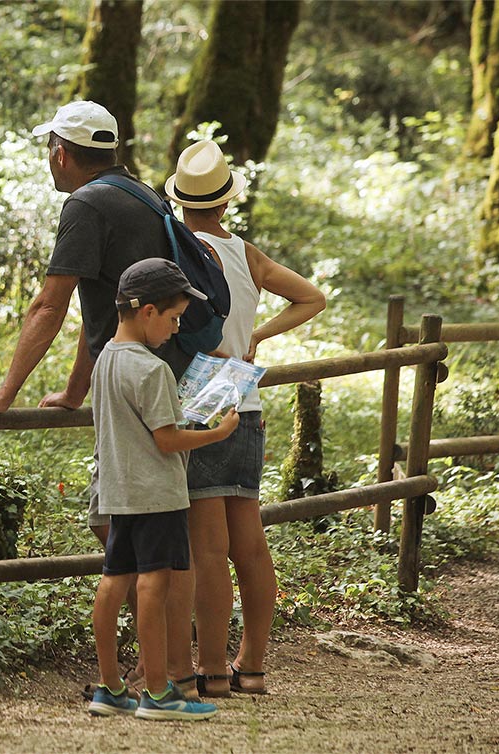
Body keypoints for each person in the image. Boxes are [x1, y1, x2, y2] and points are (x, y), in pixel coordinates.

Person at [0, 101, 195, 694]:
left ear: (60, 153)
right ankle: (167, 667)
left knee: (126, 530)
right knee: (152, 528)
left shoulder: (85, 205)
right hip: (164, 374)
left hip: (135, 384)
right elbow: (104, 312)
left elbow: (52, 303)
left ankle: (155, 673)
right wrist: (74, 391)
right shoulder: (142, 195)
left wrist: (3, 393)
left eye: (50, 151)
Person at [166, 140, 326, 697]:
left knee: (206, 549)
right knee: (250, 545)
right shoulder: (245, 254)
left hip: (200, 408)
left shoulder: (178, 250)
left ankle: (210, 669)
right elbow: (312, 297)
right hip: (246, 404)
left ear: (180, 201)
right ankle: (251, 664)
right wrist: (257, 334)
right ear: (226, 202)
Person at [87, 258, 237, 721]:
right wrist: (218, 431)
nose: (175, 329)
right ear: (147, 311)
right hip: (157, 493)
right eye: (173, 318)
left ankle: (110, 687)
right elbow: (166, 440)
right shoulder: (153, 370)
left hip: (119, 490)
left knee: (114, 582)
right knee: (155, 584)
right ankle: (157, 692)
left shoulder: (105, 360)